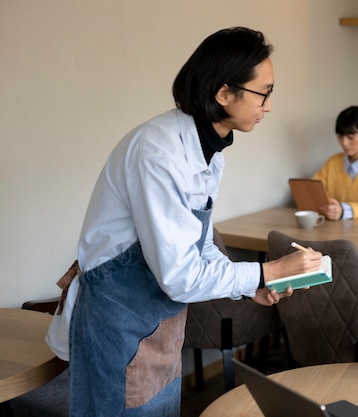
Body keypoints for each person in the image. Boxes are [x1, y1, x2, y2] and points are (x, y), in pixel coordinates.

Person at [69, 27, 322, 417]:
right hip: (118, 323)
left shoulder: (210, 151)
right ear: (224, 94)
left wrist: (251, 286)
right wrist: (264, 272)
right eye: (264, 92)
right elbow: (178, 275)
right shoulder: (159, 153)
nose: (269, 105)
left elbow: (199, 245)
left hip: (160, 325)